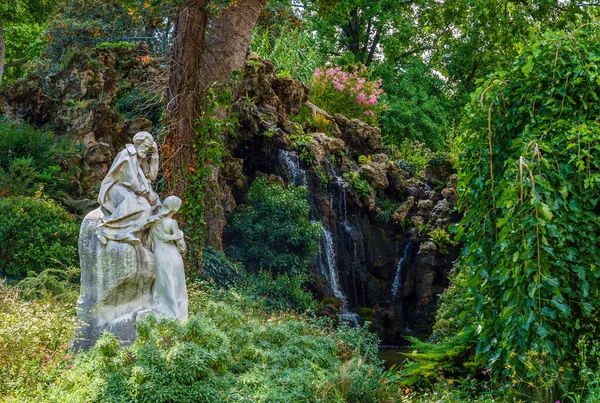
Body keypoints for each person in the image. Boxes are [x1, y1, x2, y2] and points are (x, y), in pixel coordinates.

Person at [96, 131, 161, 245]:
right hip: (115, 187)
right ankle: (104, 230)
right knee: (130, 200)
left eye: (148, 148)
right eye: (145, 146)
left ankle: (127, 232)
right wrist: (148, 194)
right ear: (138, 142)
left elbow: (152, 176)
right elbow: (131, 181)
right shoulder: (127, 154)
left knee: (147, 207)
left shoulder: (140, 158)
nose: (146, 150)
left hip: (131, 189)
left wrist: (155, 154)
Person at [147, 196, 188, 320]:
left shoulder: (152, 222)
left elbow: (149, 242)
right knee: (176, 287)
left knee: (162, 286)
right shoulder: (172, 223)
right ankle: (177, 317)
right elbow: (181, 245)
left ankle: (161, 315)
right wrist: (183, 250)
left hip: (159, 256)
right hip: (173, 256)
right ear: (174, 209)